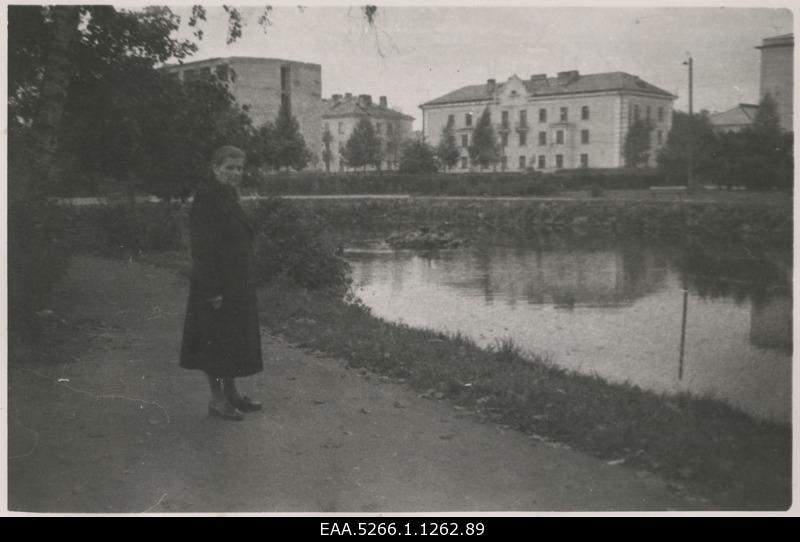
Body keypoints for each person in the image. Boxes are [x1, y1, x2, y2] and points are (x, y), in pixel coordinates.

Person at [180, 145, 263, 420]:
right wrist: (213, 289)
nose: (235, 173)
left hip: (235, 282)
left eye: (239, 168)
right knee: (215, 344)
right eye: (229, 168)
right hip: (216, 285)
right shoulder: (207, 199)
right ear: (215, 168)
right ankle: (217, 401)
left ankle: (232, 393)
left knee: (231, 341)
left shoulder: (227, 196)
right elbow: (202, 249)